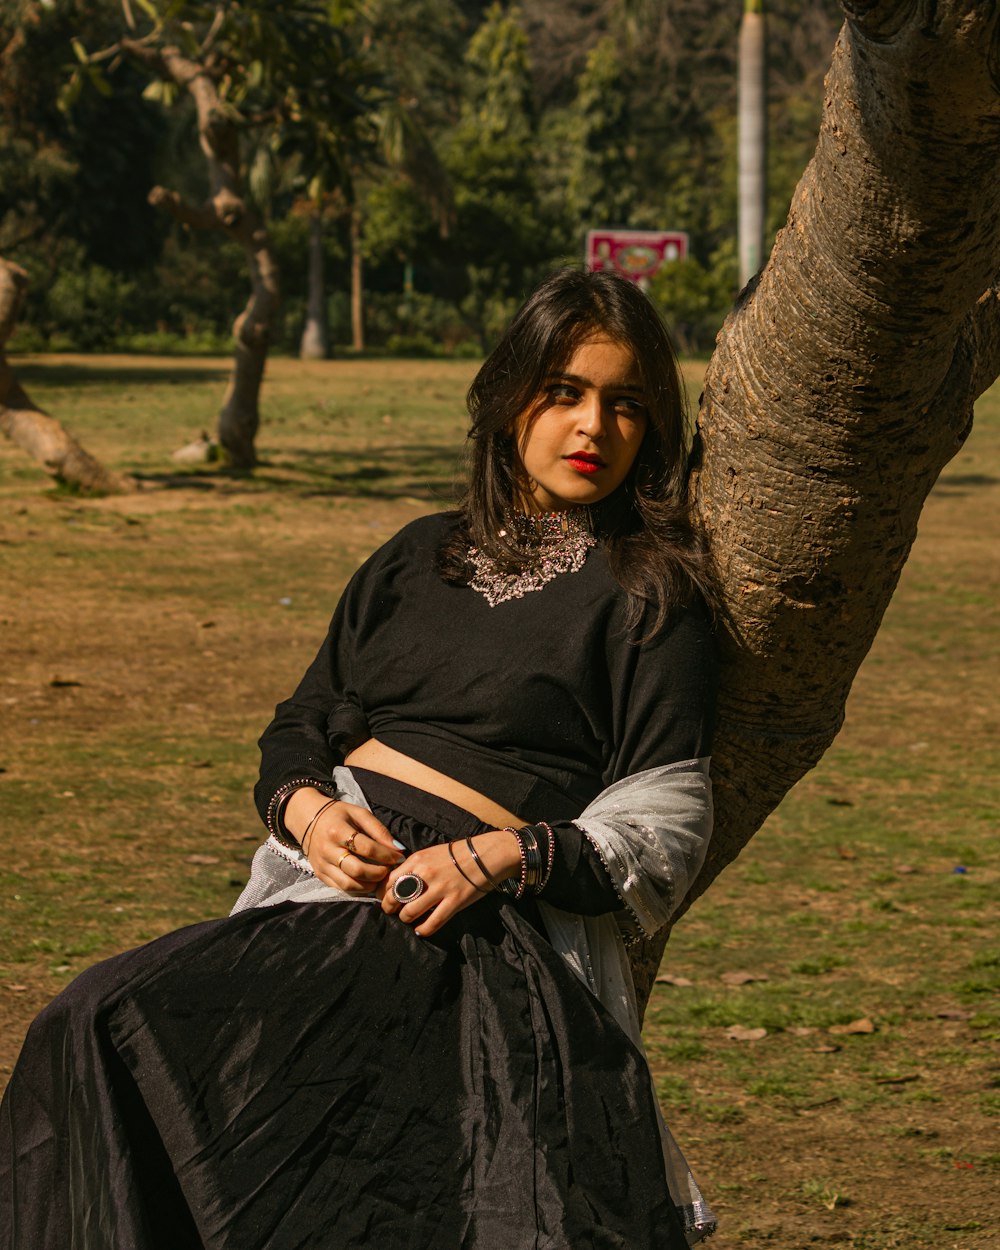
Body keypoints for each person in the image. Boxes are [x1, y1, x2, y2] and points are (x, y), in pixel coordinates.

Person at [0, 269, 719, 1249]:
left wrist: (500, 857)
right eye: (564, 391)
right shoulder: (415, 554)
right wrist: (305, 810)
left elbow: (665, 819)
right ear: (510, 397)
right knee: (92, 1023)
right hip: (329, 891)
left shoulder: (648, 589)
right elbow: (300, 721)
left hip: (475, 929)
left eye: (626, 403)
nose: (593, 424)